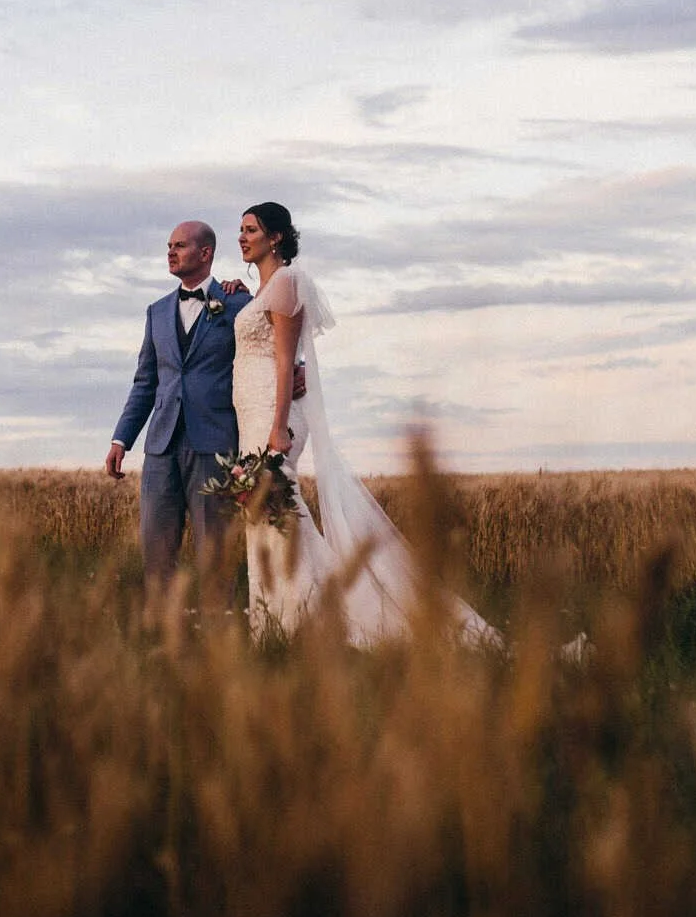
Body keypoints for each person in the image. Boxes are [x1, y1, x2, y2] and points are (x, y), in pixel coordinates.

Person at [233, 201, 499, 646]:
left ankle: (313, 620)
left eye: (250, 230)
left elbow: (285, 360)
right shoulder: (260, 290)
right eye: (241, 230)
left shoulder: (287, 282)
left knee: (279, 510)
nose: (242, 237)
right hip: (251, 414)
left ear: (275, 237)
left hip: (272, 416)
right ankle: (277, 619)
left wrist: (278, 426)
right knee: (261, 515)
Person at [107, 220, 304, 605]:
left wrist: (301, 368)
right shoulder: (156, 312)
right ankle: (161, 627)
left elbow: (277, 342)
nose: (171, 252)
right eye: (169, 246)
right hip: (161, 447)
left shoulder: (238, 305)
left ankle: (219, 628)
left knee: (215, 551)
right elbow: (145, 382)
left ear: (205, 253)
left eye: (179, 245)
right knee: (155, 547)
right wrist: (121, 439)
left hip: (215, 445)